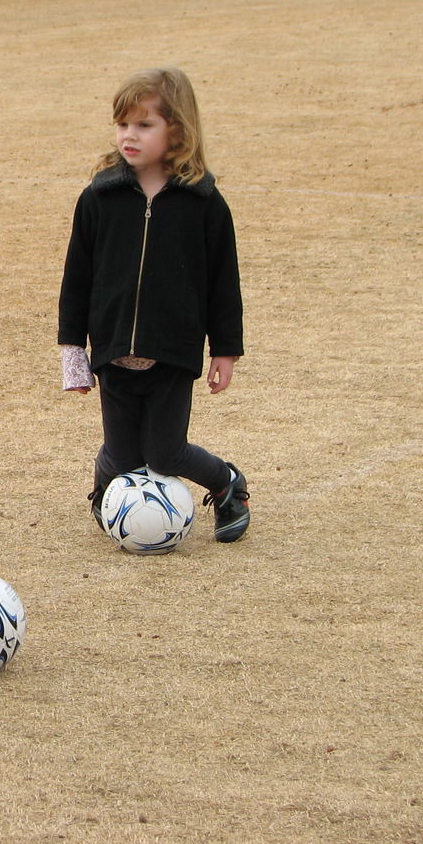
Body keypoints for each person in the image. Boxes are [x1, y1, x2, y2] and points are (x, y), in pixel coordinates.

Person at [57, 67, 251, 544]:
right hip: (113, 349)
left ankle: (228, 484)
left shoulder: (204, 203)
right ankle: (109, 483)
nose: (130, 135)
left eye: (145, 125)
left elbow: (224, 282)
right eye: (124, 124)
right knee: (124, 456)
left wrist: (224, 350)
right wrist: (72, 351)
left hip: (172, 351)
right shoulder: (99, 197)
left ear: (178, 131)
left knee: (164, 454)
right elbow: (76, 277)